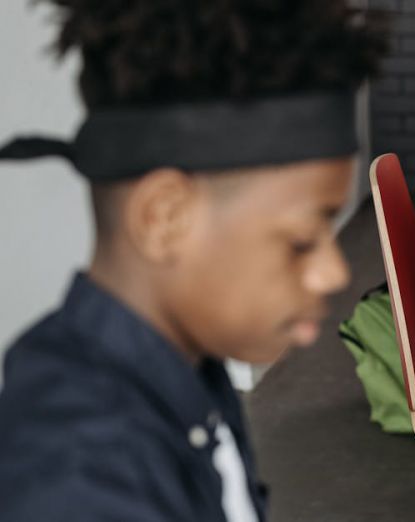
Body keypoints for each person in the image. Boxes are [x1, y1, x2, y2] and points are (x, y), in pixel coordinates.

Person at [0, 0, 385, 520]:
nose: (334, 272)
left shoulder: (189, 366)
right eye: (299, 241)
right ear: (165, 218)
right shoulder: (79, 481)